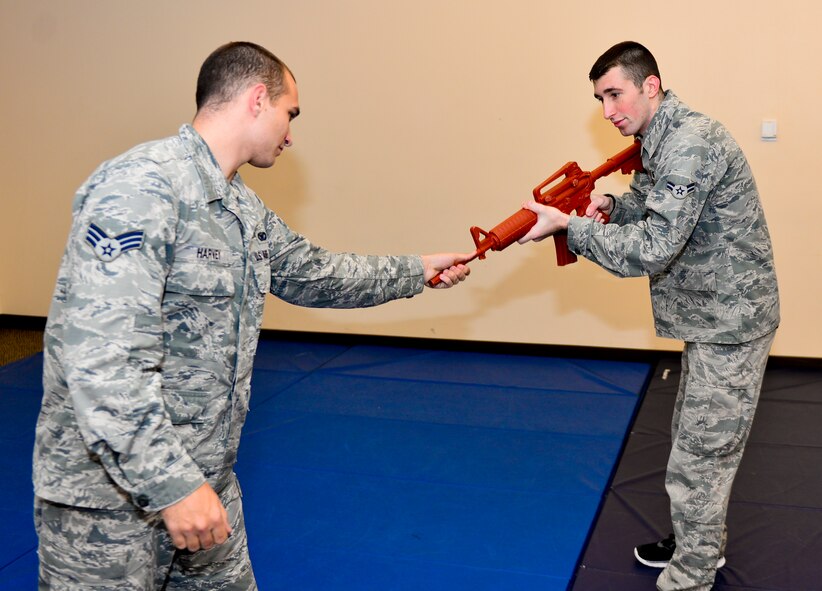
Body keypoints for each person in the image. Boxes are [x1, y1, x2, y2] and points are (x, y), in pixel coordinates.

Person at [32, 41, 470, 590]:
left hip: (205, 484)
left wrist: (418, 270)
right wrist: (171, 485)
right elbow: (100, 359)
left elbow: (314, 272)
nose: (291, 134)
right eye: (291, 113)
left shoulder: (239, 205)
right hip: (113, 500)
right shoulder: (143, 186)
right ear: (258, 98)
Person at [517, 41, 779, 590]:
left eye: (615, 93)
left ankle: (693, 574)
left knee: (701, 457)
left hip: (730, 321)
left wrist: (573, 229)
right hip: (710, 317)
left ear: (650, 85)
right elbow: (649, 207)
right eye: (599, 98)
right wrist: (611, 207)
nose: (607, 109)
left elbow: (655, 247)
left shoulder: (688, 142)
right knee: (694, 439)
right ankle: (696, 543)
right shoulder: (658, 139)